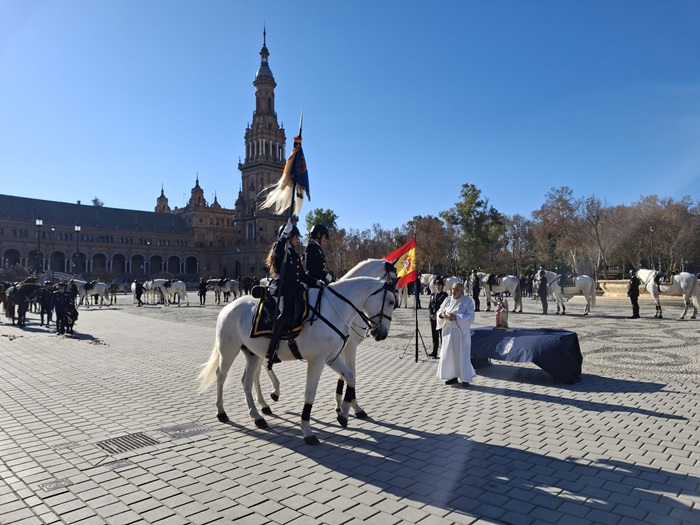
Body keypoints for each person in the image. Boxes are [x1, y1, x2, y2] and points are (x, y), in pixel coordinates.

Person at [265, 220, 320, 369]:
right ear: (290, 237)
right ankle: (271, 350)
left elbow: (302, 275)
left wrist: (316, 282)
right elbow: (278, 252)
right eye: (296, 237)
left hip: (294, 290)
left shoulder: (295, 255)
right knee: (285, 313)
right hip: (281, 290)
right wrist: (283, 236)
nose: (298, 240)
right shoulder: (280, 250)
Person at [436, 282, 476, 386]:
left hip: (460, 332)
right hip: (448, 331)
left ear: (462, 291)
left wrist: (457, 317)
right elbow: (440, 311)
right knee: (449, 355)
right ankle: (452, 376)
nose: (454, 291)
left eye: (457, 289)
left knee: (462, 355)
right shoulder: (448, 300)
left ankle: (465, 378)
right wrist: (442, 315)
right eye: (453, 289)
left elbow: (470, 315)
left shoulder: (467, 301)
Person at [428, 278, 448, 358]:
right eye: (436, 285)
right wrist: (431, 315)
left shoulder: (444, 295)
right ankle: (434, 351)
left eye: (439, 285)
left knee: (442, 336)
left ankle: (443, 352)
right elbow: (430, 306)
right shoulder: (433, 295)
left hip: (440, 318)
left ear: (442, 286)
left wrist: (436, 315)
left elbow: (443, 307)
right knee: (434, 335)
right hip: (433, 319)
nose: (438, 287)